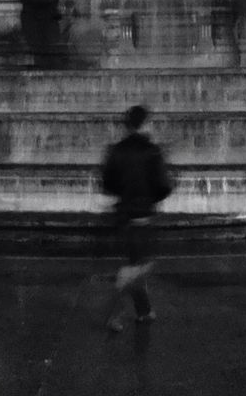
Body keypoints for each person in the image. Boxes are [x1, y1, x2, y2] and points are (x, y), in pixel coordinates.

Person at [100, 105, 172, 331]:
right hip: (143, 216)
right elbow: (163, 186)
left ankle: (144, 311)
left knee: (135, 260)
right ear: (144, 124)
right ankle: (114, 313)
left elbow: (106, 184)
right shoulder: (152, 150)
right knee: (140, 266)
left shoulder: (116, 150)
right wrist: (152, 197)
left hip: (123, 215)